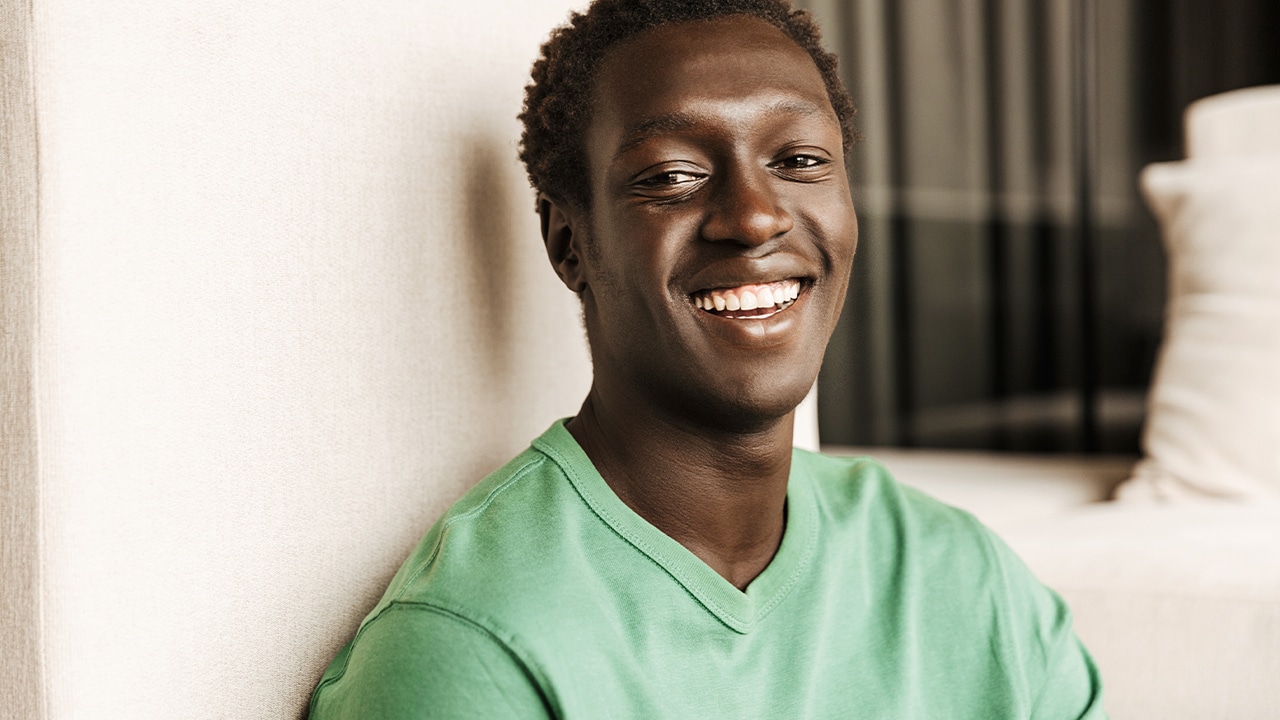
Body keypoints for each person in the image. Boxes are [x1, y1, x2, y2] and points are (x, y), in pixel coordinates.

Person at [309, 0, 1106, 717]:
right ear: (569, 244)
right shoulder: (473, 647)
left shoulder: (960, 575)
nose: (755, 218)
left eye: (799, 161)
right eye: (673, 176)